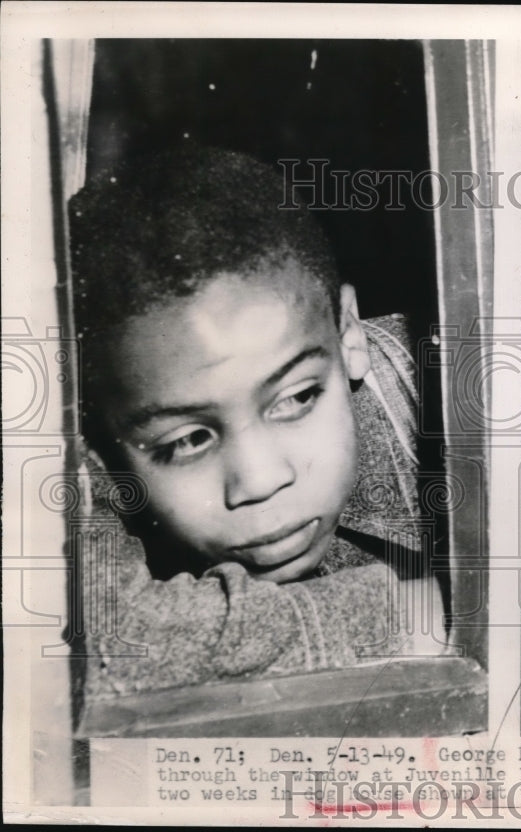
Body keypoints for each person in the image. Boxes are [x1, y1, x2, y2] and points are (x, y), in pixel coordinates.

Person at [68, 146, 445, 703]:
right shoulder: (91, 445)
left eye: (296, 398)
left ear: (350, 336)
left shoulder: (453, 391)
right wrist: (413, 610)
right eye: (188, 440)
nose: (262, 479)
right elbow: (103, 646)